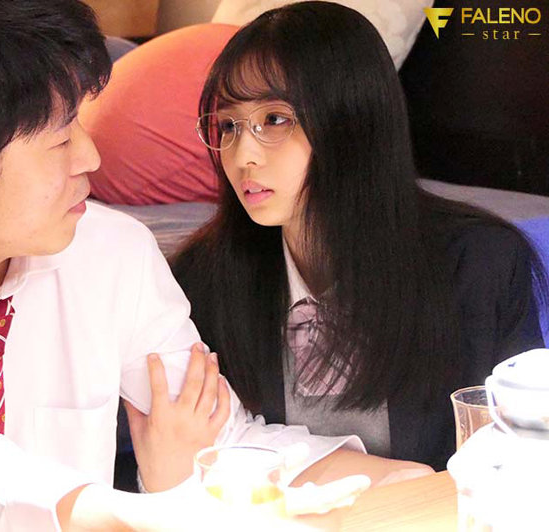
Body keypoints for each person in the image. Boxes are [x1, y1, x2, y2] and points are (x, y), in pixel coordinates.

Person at [0, 1, 430, 531]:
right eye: (59, 139)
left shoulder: (110, 253)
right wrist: (131, 514)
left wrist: (412, 483)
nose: (91, 157)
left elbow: (223, 438)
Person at [172, 1, 547, 473]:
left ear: (351, 122)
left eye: (275, 119)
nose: (243, 154)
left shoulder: (479, 265)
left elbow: (525, 456)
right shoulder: (202, 280)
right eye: (228, 125)